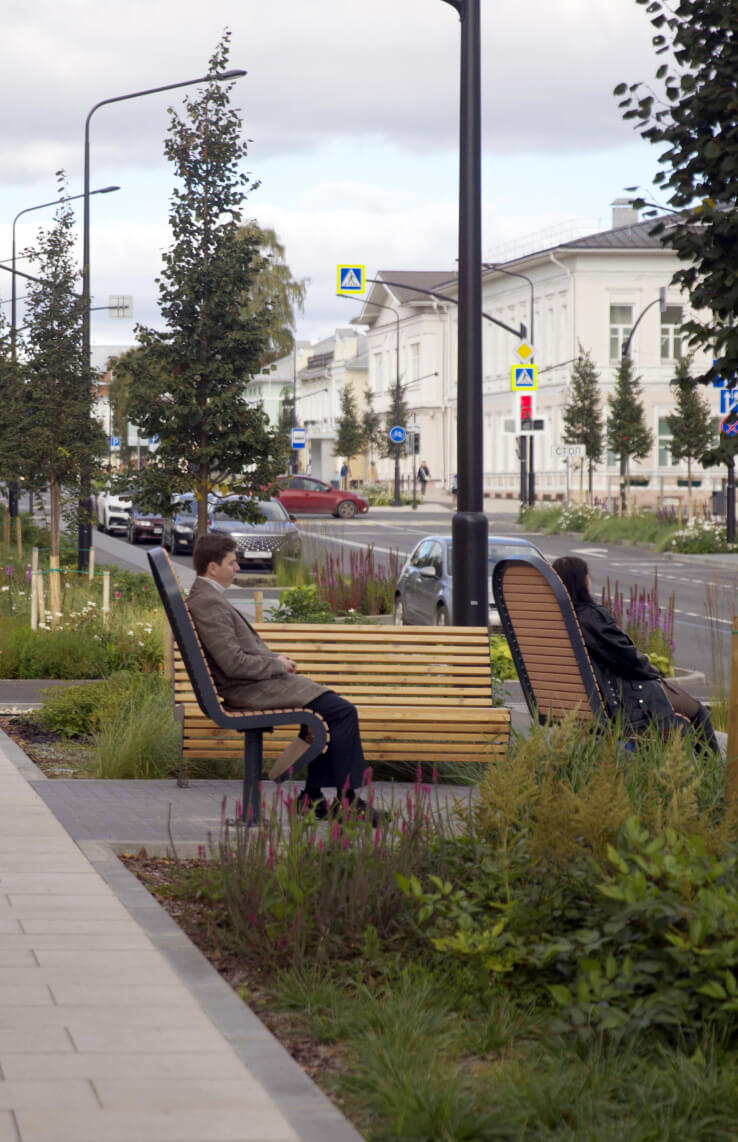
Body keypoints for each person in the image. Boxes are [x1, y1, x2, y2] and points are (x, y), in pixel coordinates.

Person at [187, 533, 380, 820]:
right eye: (232, 562)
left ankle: (312, 797)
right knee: (343, 712)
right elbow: (233, 663)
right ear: (212, 568)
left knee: (334, 711)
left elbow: (236, 655)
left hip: (255, 683)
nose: (238, 567)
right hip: (249, 690)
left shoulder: (208, 597)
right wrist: (276, 664)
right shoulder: (207, 602)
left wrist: (274, 659)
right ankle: (346, 800)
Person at [552, 555, 720, 755]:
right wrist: (654, 673)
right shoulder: (590, 618)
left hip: (582, 703)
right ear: (580, 582)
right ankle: (715, 778)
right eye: (587, 578)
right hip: (620, 698)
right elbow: (628, 659)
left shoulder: (555, 618)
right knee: (699, 713)